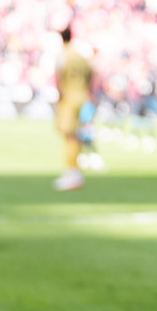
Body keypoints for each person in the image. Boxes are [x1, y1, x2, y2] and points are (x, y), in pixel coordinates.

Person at [53, 25, 99, 191]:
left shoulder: (63, 55)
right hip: (83, 96)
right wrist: (89, 92)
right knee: (78, 134)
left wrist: (60, 95)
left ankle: (72, 172)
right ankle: (75, 171)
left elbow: (58, 77)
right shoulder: (81, 55)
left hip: (69, 98)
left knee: (69, 135)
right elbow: (93, 73)